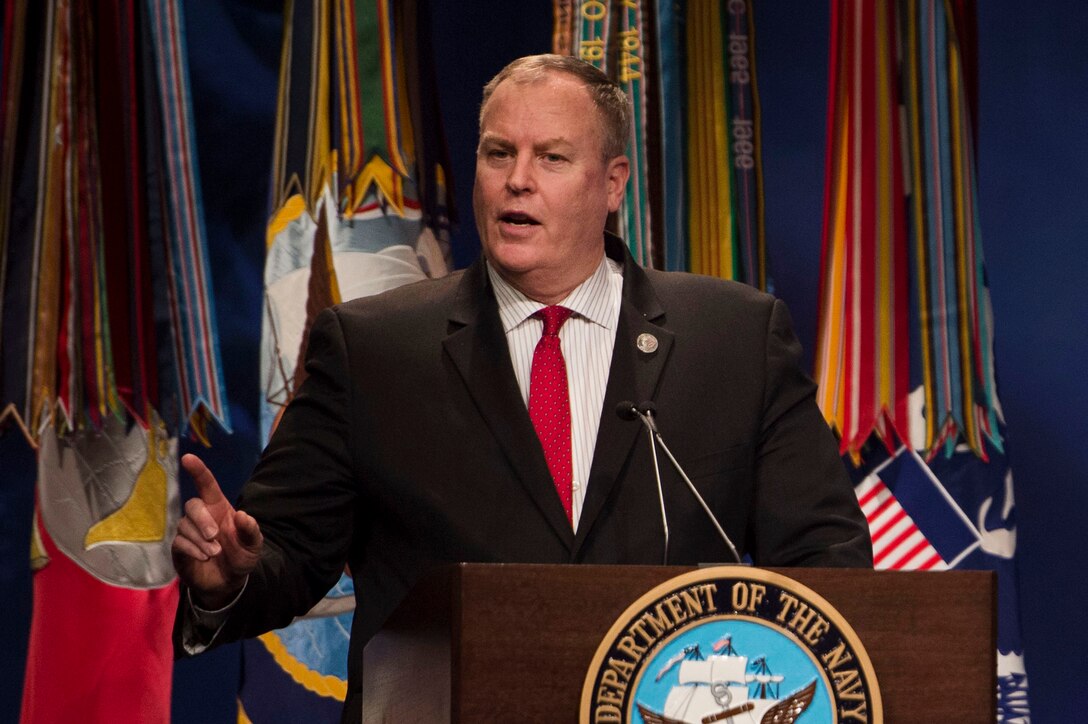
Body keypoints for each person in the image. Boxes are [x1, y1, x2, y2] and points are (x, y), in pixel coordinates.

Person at [172, 54, 872, 720]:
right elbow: (285, 552)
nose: (517, 180)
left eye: (553, 158)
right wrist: (227, 578)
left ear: (613, 182)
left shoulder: (733, 340)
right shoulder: (374, 349)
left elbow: (825, 565)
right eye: (499, 153)